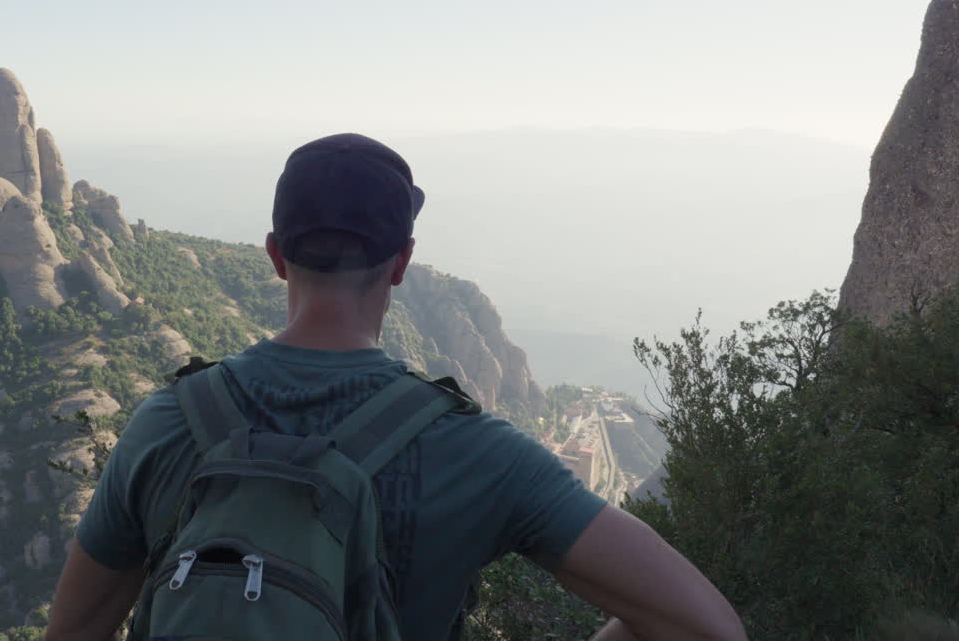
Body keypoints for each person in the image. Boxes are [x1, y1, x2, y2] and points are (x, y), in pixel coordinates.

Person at [45, 132, 747, 641]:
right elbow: (708, 629)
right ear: (403, 262)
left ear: (275, 257)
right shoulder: (480, 454)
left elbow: (74, 632)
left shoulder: (165, 421)